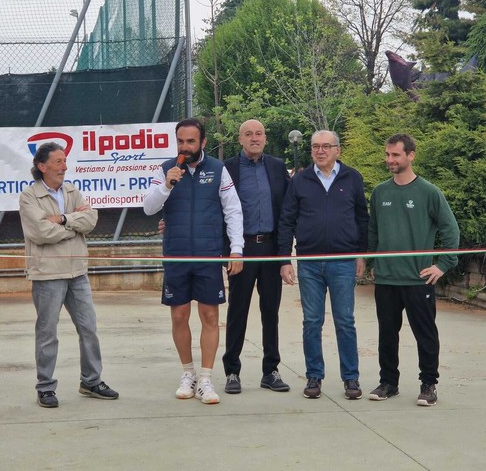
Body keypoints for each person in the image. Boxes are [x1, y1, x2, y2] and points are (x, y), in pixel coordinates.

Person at [143, 118, 243, 405]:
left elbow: (233, 210)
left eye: (190, 141)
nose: (184, 147)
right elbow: (148, 207)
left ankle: (206, 379)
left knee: (210, 317)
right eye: (180, 141)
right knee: (179, 316)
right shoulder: (166, 169)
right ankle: (188, 374)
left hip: (208, 255)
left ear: (203, 142)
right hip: (176, 255)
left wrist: (236, 249)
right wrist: (166, 185)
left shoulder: (218, 169)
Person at [19, 142, 119, 408]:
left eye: (65, 161)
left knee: (89, 328)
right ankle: (45, 387)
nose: (64, 166)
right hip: (47, 274)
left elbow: (91, 220)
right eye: (58, 161)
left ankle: (91, 381)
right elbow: (40, 232)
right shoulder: (29, 196)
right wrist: (74, 225)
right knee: (47, 333)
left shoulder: (72, 191)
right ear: (42, 166)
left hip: (77, 272)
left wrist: (63, 219)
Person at [368, 134, 459, 406]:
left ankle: (428, 384)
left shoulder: (429, 192)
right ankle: (388, 382)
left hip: (418, 280)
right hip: (386, 279)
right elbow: (373, 231)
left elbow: (450, 229)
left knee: (425, 333)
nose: (390, 160)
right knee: (387, 334)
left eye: (395, 155)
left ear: (411, 155)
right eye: (387, 154)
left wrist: (443, 265)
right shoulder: (380, 192)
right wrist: (371, 262)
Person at [278, 130, 368, 400]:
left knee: (345, 321)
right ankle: (314, 376)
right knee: (312, 322)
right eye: (315, 146)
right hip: (309, 262)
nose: (320, 151)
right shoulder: (300, 180)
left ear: (337, 150)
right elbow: (287, 220)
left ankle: (351, 378)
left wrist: (361, 254)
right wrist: (284, 259)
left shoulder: (352, 178)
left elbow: (362, 218)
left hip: (343, 262)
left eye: (326, 146)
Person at [222, 119, 290, 394]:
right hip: (241, 249)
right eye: (248, 134)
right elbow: (215, 208)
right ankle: (232, 372)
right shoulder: (228, 168)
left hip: (271, 248)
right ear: (240, 139)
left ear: (265, 138)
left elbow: (288, 210)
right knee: (237, 311)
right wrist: (227, 252)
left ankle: (270, 371)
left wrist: (285, 255)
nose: (254, 138)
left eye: (259, 133)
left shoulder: (276, 167)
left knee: (270, 312)